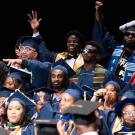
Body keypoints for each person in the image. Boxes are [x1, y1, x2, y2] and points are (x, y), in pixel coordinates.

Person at [92, 1, 135, 83]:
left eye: (134, 35)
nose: (130, 37)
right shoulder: (115, 48)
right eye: (127, 34)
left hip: (129, 92)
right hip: (110, 88)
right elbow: (101, 32)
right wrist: (98, 12)